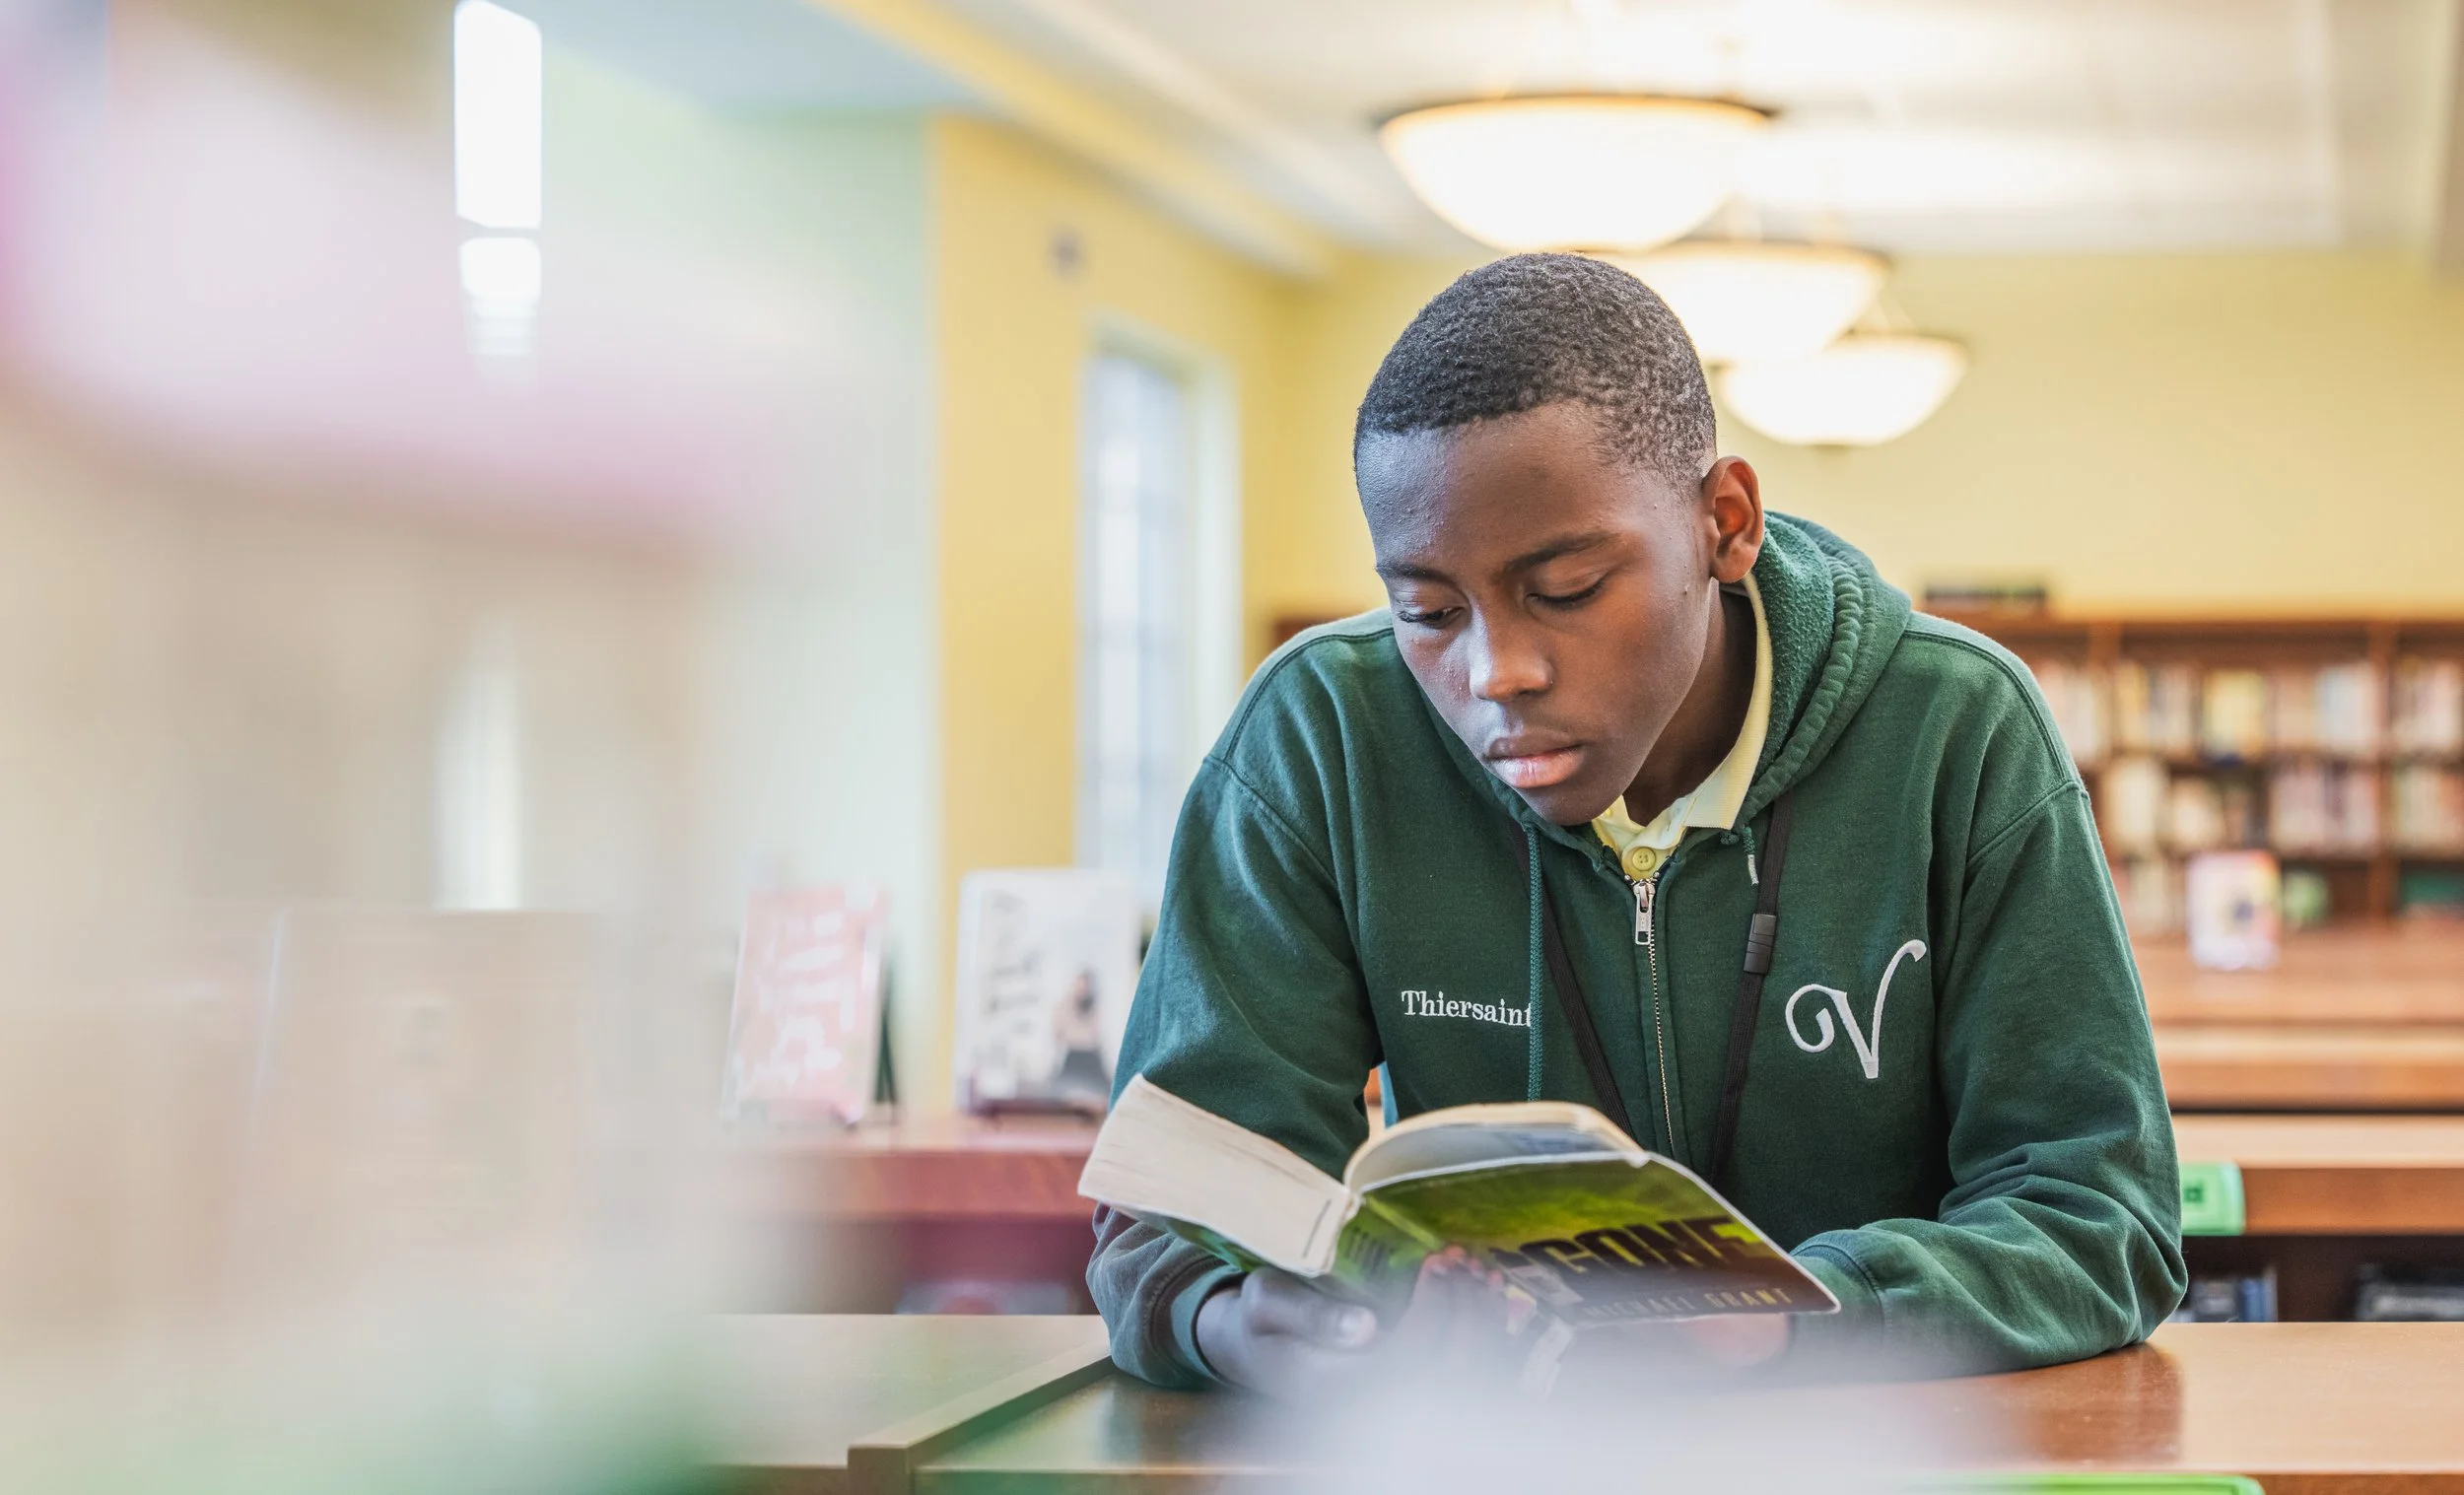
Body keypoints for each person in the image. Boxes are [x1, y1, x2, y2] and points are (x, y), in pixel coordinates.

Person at [1088, 253, 2185, 1393]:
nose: (1495, 671)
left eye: (1563, 588)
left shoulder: (1957, 729)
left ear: (1725, 522)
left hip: (1875, 1443)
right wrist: (1233, 1318)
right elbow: (1172, 1204)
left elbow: (2098, 1216)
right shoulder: (1319, 737)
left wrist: (1795, 1320)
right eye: (1425, 610)